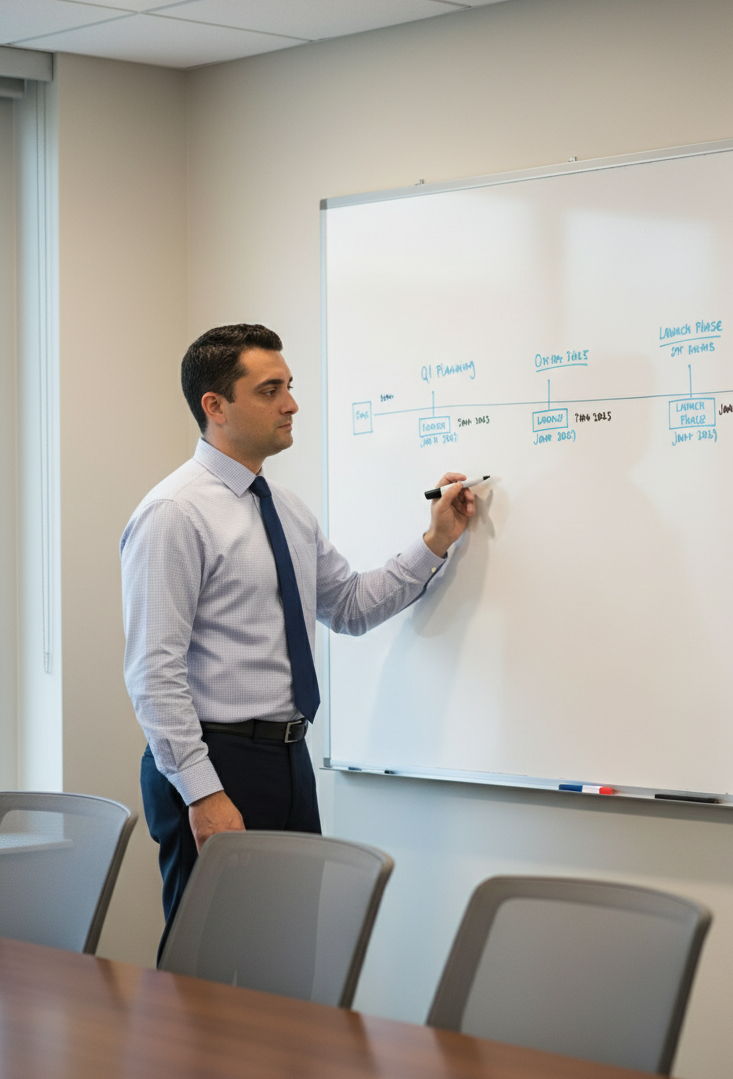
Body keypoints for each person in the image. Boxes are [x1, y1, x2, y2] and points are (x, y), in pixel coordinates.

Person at [121, 323, 474, 948]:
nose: (291, 404)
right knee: (210, 965)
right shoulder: (173, 514)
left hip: (287, 757)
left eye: (289, 386)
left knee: (287, 959)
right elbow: (154, 672)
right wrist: (203, 795)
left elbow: (351, 606)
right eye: (271, 389)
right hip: (215, 762)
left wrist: (436, 540)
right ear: (216, 406)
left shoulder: (286, 509)